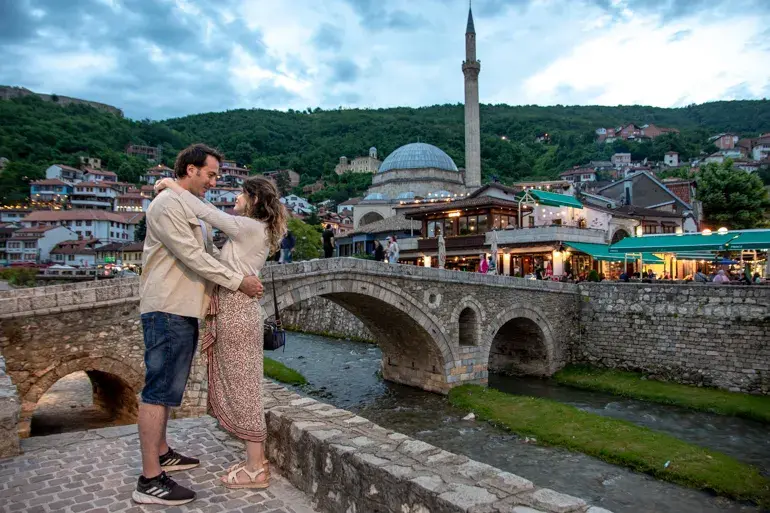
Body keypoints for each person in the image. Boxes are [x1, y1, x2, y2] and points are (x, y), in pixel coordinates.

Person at [135, 144, 264, 506]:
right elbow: (191, 256)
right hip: (167, 307)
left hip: (184, 308)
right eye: (210, 174)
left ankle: (162, 452)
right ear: (190, 170)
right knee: (158, 390)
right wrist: (238, 282)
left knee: (168, 387)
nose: (214, 182)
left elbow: (207, 254)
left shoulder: (189, 206)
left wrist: (229, 281)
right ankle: (149, 480)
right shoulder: (166, 205)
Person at [154, 173, 287, 492]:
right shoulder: (255, 229)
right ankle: (255, 461)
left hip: (237, 310)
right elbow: (217, 246)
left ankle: (256, 468)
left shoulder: (248, 226)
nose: (236, 198)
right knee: (244, 383)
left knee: (244, 387)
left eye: (241, 194)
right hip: (237, 308)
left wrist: (173, 186)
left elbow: (206, 212)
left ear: (254, 199)